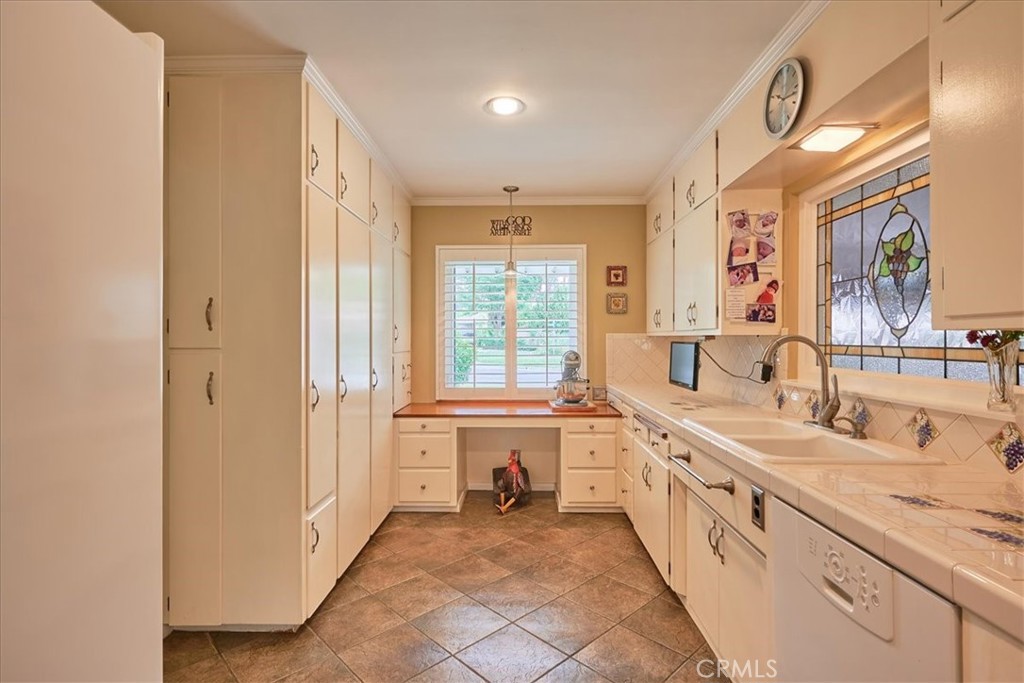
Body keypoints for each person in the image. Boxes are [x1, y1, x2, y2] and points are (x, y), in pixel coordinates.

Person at [494, 449, 529, 514]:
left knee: (520, 490)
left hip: (515, 490)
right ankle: (502, 505)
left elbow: (521, 486)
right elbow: (503, 483)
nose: (509, 461)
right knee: (500, 483)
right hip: (508, 488)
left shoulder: (518, 474)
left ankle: (505, 507)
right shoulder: (507, 471)